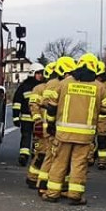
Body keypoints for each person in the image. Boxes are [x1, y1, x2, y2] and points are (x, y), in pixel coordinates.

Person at [40, 56, 106, 205]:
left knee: (59, 163)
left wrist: (51, 124)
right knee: (79, 165)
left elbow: (51, 105)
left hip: (63, 134)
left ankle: (52, 193)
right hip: (85, 136)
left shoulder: (64, 83)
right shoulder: (99, 86)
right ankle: (75, 195)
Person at [35, 56, 76, 193]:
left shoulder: (57, 83)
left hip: (55, 125)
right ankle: (43, 185)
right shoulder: (55, 84)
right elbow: (47, 102)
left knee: (52, 156)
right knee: (51, 156)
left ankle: (45, 185)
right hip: (52, 126)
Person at [11, 63, 46, 168]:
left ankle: (36, 156)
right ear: (33, 73)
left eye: (41, 73)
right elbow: (17, 102)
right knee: (26, 136)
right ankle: (23, 156)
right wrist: (16, 117)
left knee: (38, 138)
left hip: (39, 119)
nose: (40, 76)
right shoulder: (24, 86)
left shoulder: (44, 87)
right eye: (38, 73)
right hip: (27, 118)